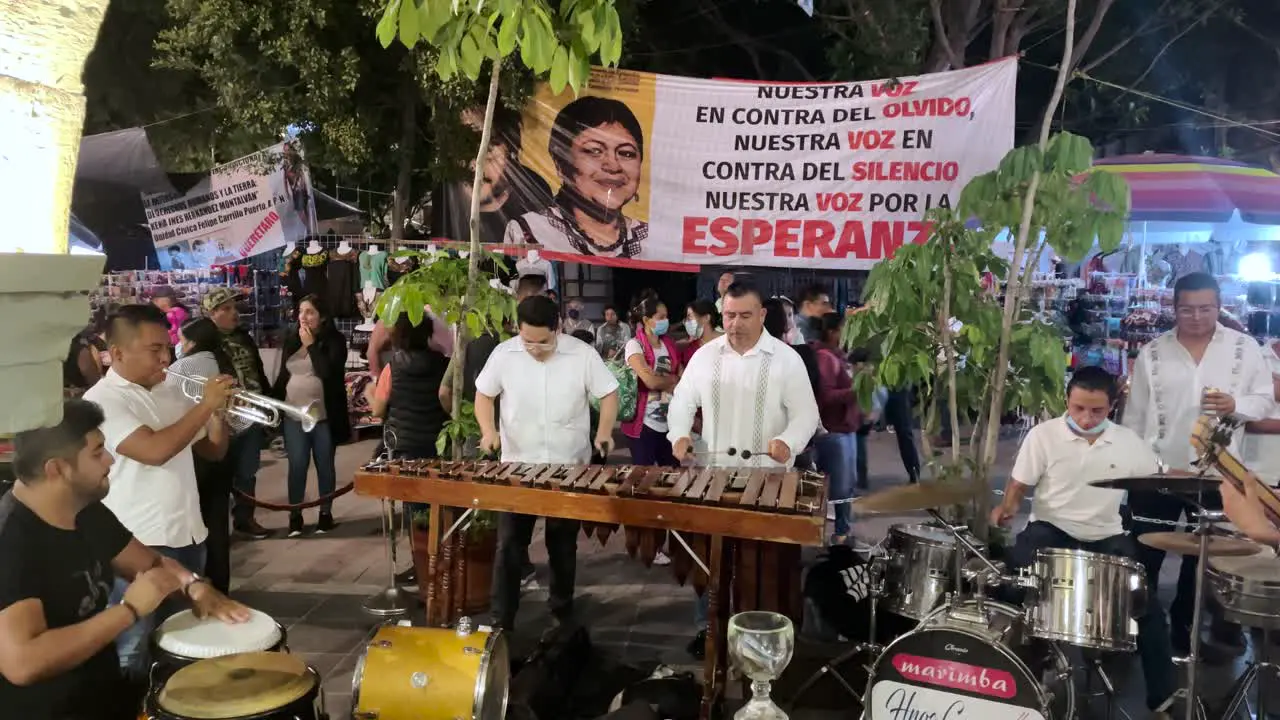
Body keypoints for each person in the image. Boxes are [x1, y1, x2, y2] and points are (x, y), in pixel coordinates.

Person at [0, 399, 248, 719]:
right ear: (56, 469)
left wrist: (194, 587)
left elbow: (150, 564)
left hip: (101, 694)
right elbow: (22, 662)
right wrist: (129, 611)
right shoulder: (11, 541)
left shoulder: (84, 509)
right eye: (96, 452)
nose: (110, 459)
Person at [991, 367, 1176, 717]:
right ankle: (1011, 680)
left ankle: (1163, 699)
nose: (1086, 418)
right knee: (1010, 592)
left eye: (1097, 411)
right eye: (1078, 408)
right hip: (1051, 527)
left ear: (1112, 407)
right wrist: (1007, 508)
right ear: (1067, 401)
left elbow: (1158, 478)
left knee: (1147, 610)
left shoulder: (1129, 442)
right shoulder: (1043, 435)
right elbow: (1018, 485)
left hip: (1106, 534)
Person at [81, 305, 236, 681]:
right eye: (155, 350)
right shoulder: (102, 400)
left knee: (182, 643)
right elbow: (155, 450)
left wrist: (218, 415)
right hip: (138, 545)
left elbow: (212, 451)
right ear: (117, 354)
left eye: (167, 347)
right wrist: (205, 407)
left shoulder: (171, 390)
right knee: (133, 649)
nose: (166, 357)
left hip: (188, 534)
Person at [667, 282, 821, 655]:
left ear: (763, 315)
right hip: (715, 478)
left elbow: (806, 414)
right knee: (712, 562)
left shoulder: (786, 359)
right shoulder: (705, 356)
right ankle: (709, 630)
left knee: (764, 568)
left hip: (767, 482)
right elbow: (683, 400)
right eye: (729, 316)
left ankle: (761, 632)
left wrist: (788, 441)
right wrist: (679, 434)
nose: (735, 324)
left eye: (745, 316)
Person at [1125, 272, 1273, 655]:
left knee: (1204, 562)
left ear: (1218, 305)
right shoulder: (1152, 352)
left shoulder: (1244, 347)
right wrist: (1143, 466)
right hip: (1158, 473)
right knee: (1144, 556)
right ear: (1173, 308)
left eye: (1205, 308)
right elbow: (1134, 418)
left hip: (1219, 475)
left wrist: (1236, 406)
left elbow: (1263, 401)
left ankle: (1186, 635)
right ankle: (1140, 633)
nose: (1196, 316)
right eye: (1187, 309)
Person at [475, 295, 620, 630]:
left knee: (562, 545)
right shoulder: (504, 354)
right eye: (528, 341)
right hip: (517, 466)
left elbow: (608, 393)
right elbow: (484, 394)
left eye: (543, 342)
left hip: (568, 466)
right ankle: (501, 619)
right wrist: (487, 431)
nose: (535, 349)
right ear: (517, 330)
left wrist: (604, 432)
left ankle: (562, 611)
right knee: (510, 545)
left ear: (557, 328)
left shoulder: (581, 355)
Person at [167, 318, 252, 594]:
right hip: (221, 450)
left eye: (181, 339)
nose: (179, 345)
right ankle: (220, 586)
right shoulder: (224, 363)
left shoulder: (181, 368)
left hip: (194, 453)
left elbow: (169, 414)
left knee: (196, 523)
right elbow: (240, 422)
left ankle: (197, 585)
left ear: (191, 342)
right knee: (217, 522)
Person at [505, 96, 648, 258]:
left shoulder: (653, 240)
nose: (613, 166)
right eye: (594, 151)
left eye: (626, 153)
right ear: (560, 163)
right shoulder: (529, 232)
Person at [271, 295, 350, 537]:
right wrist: (270, 401)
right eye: (301, 311)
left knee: (324, 464)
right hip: (293, 414)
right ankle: (295, 516)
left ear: (323, 316)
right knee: (297, 465)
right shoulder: (291, 338)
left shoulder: (335, 341)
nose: (303, 317)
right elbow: (283, 376)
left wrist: (313, 345)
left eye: (310, 312)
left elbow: (328, 372)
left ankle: (325, 514)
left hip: (324, 416)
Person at [202, 287, 272, 539]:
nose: (235, 313)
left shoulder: (244, 336)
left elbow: (257, 371)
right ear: (211, 313)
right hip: (223, 418)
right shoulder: (205, 343)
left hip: (252, 414)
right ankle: (218, 527)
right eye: (226, 308)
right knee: (220, 474)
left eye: (234, 307)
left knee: (248, 471)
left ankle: (245, 519)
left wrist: (267, 400)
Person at [431, 104, 554, 245]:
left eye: (489, 147)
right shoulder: (445, 195)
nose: (475, 162)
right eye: (463, 143)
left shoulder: (534, 191)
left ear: (511, 149)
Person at [811, 312, 859, 545]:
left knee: (846, 486)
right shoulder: (826, 359)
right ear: (832, 332)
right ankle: (838, 535)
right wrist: (856, 390)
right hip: (834, 431)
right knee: (839, 490)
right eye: (845, 328)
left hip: (844, 429)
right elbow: (826, 396)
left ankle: (842, 532)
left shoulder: (837, 357)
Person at [679, 300, 722, 367]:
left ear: (706, 318)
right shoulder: (690, 350)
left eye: (690, 316)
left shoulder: (728, 341)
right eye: (686, 318)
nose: (686, 322)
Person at [150, 286, 189, 350]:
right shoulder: (178, 310)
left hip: (175, 347)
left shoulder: (175, 313)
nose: (154, 303)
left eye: (156, 300)